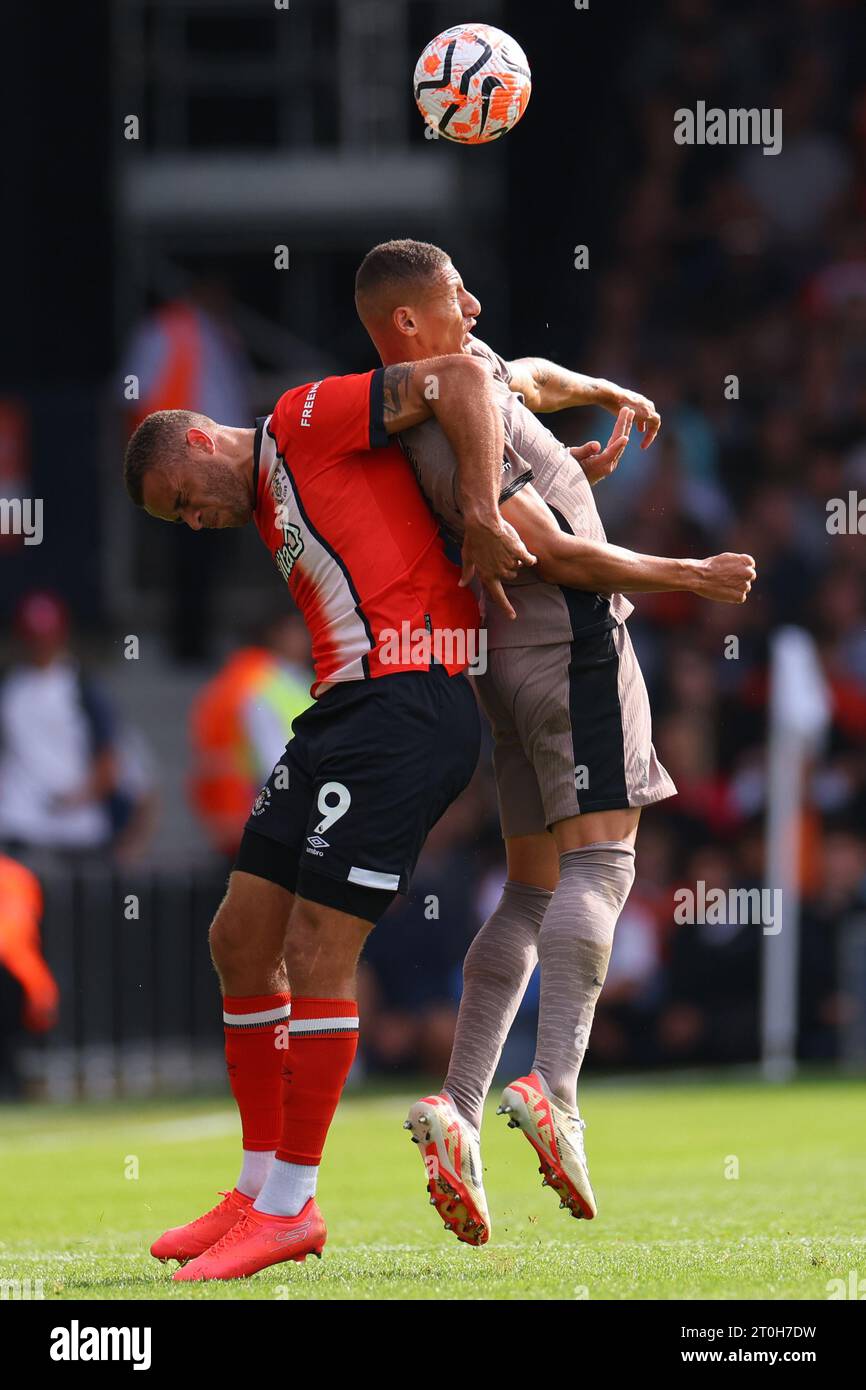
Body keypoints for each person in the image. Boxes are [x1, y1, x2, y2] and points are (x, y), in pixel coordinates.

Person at [353, 238, 756, 1244]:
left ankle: (456, 1103)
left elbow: (520, 377)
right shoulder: (441, 416)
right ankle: (556, 1086)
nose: (477, 305)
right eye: (455, 297)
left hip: (507, 666)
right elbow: (557, 553)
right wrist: (689, 574)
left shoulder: (457, 377)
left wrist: (599, 394)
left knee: (531, 886)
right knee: (604, 866)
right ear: (408, 321)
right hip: (569, 647)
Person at [122, 352, 533, 1281]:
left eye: (181, 497)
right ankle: (255, 1185)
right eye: (177, 519)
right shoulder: (272, 498)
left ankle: (292, 1206)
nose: (193, 520)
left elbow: (462, 380)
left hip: (408, 709)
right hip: (343, 713)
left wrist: (481, 509)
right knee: (239, 937)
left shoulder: (303, 419)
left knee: (316, 944)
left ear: (197, 438)